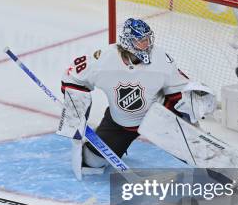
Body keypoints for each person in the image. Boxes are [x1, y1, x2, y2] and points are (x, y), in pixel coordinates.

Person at [57, 18, 216, 178]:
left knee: (197, 150)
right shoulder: (104, 60)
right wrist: (75, 112)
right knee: (92, 162)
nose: (147, 44)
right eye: (141, 40)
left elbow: (180, 91)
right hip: (120, 124)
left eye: (148, 39)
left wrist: (191, 119)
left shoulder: (161, 59)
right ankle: (97, 147)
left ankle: (218, 166)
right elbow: (73, 78)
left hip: (159, 119)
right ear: (128, 43)